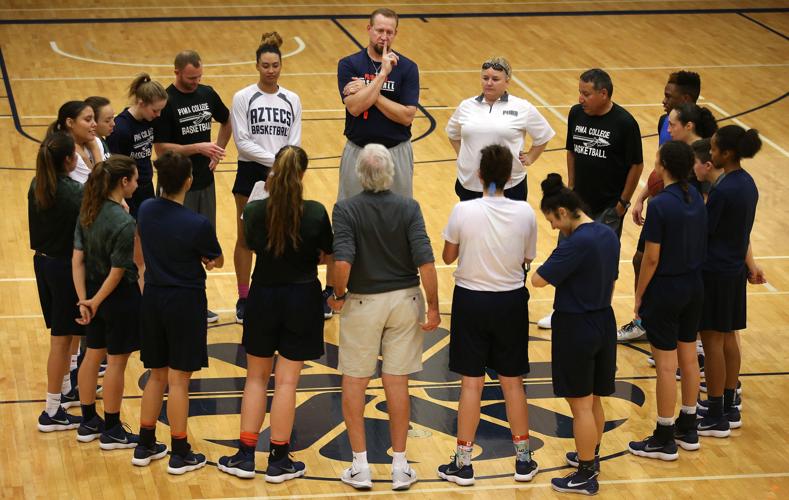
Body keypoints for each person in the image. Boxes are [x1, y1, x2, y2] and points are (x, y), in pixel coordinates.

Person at [327, 144, 440, 491]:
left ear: (359, 174)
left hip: (363, 302)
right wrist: (434, 306)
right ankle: (400, 467)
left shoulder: (345, 209)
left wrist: (339, 295)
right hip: (405, 300)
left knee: (354, 382)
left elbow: (342, 262)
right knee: (397, 383)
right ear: (391, 172)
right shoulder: (409, 207)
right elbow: (426, 262)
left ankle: (360, 467)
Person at [218, 146, 332, 483]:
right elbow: (326, 254)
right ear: (302, 175)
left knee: (256, 378)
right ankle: (279, 460)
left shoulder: (254, 211)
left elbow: (249, 246)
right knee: (287, 382)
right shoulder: (315, 212)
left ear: (273, 173)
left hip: (264, 295)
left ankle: (245, 454)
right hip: (302, 297)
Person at [437, 145, 538, 486]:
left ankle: (463, 463)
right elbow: (527, 258)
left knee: (471, 383)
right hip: (510, 302)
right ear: (510, 176)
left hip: (471, 301)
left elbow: (448, 257)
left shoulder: (462, 210)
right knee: (513, 382)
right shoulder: (525, 212)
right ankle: (523, 460)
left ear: (478, 174)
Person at [132, 151, 223, 475]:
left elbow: (142, 249)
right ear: (189, 181)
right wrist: (207, 259)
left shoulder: (145, 209)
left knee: (157, 374)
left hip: (154, 297)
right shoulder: (197, 224)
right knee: (179, 380)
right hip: (185, 302)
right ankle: (180, 451)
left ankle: (144, 444)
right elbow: (215, 260)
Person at [531, 174, 620, 496]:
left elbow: (538, 280)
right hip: (604, 319)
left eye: (553, 221)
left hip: (576, 326)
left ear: (563, 212)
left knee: (579, 405)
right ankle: (590, 456)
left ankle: (585, 474)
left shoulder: (575, 243)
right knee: (594, 399)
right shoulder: (608, 233)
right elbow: (612, 278)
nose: (554, 227)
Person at [537, 68, 643, 330]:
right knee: (566, 254)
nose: (580, 98)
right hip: (577, 205)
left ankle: (601, 310)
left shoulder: (625, 123)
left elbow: (636, 164)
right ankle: (560, 309)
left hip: (608, 206)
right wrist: (571, 186)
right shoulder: (576, 113)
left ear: (603, 93)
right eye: (580, 93)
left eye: (586, 94)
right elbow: (571, 151)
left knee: (604, 263)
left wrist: (623, 202)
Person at [627, 141, 706, 461]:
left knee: (665, 365)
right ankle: (688, 426)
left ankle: (663, 436)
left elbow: (651, 258)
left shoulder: (660, 205)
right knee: (689, 357)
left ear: (663, 167)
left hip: (667, 289)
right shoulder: (697, 198)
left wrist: (639, 294)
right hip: (694, 286)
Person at [619, 71, 701, 342]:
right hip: (662, 204)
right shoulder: (664, 122)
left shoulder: (701, 137)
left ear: (685, 99)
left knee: (669, 268)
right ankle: (643, 321)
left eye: (669, 96)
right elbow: (659, 169)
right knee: (640, 259)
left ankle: (688, 335)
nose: (663, 101)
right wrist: (642, 196)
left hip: (683, 210)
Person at [695, 125, 764, 436]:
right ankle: (728, 404)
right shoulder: (747, 183)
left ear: (727, 153)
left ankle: (715, 414)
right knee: (728, 337)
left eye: (714, 148)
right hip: (734, 270)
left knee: (712, 342)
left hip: (715, 272)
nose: (710, 153)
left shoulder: (723, 190)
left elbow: (706, 230)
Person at [153, 50, 231, 324]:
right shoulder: (166, 101)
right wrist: (197, 147)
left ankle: (197, 302)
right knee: (174, 244)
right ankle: (169, 304)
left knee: (201, 244)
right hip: (175, 184)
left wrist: (217, 150)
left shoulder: (207, 93)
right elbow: (161, 148)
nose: (196, 82)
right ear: (176, 72)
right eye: (190, 78)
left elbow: (227, 120)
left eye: (199, 77)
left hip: (204, 182)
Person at [230, 32, 303, 324]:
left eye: (275, 65)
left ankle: (278, 292)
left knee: (282, 234)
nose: (271, 70)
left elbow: (294, 140)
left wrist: (283, 167)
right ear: (257, 66)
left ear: (281, 65)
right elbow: (242, 142)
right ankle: (244, 297)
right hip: (251, 172)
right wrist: (276, 162)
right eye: (265, 65)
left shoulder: (292, 99)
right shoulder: (243, 97)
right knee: (245, 237)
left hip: (284, 173)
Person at [72, 155, 141, 449]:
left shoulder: (88, 211)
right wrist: (96, 301)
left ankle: (88, 421)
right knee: (116, 363)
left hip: (90, 292)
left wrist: (84, 300)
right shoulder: (124, 222)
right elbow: (118, 270)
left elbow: (77, 260)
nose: (137, 184)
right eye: (135, 179)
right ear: (123, 182)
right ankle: (112, 428)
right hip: (118, 298)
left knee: (92, 355)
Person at [29, 132, 85, 432]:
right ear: (68, 160)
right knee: (61, 340)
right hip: (65, 269)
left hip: (43, 263)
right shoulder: (73, 192)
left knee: (65, 334)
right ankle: (51, 410)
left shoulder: (37, 184)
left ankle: (64, 391)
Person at [336, 8, 419, 200]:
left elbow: (406, 116)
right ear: (369, 29)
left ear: (395, 33)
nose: (384, 37)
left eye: (389, 32)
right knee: (351, 211)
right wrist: (382, 75)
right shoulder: (349, 64)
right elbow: (355, 108)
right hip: (358, 150)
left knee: (399, 213)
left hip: (396, 151)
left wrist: (368, 88)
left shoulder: (408, 68)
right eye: (379, 30)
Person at [446, 57, 554, 202]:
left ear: (507, 81)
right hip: (470, 184)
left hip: (509, 186)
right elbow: (452, 133)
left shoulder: (522, 107)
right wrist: (463, 156)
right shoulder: (466, 106)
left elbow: (544, 135)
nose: (489, 83)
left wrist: (530, 157)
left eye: (495, 79)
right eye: (485, 78)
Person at [107, 74, 168, 218]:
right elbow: (113, 167)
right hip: (128, 191)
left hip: (146, 185)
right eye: (155, 110)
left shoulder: (150, 120)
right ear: (141, 103)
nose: (159, 115)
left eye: (161, 110)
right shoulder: (121, 128)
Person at [47, 101, 102, 185]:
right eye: (88, 120)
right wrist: (89, 156)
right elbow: (99, 185)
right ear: (70, 123)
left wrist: (95, 149)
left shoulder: (95, 142)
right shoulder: (67, 151)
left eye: (94, 119)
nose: (95, 124)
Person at [84, 96, 114, 160]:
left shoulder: (101, 139)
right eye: (107, 121)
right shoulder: (87, 150)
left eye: (112, 118)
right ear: (93, 121)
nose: (113, 124)